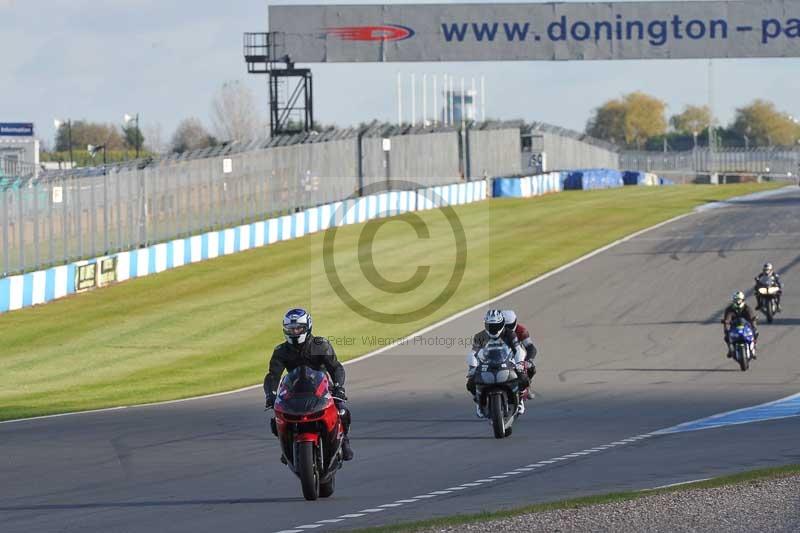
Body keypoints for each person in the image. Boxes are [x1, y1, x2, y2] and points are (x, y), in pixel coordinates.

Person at [264, 308, 353, 461]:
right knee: (277, 418)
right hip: (294, 391)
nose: (295, 332)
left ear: (307, 327)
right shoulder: (281, 351)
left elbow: (335, 367)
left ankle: (344, 441)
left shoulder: (320, 345)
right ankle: (288, 446)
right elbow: (273, 376)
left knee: (342, 410)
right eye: (290, 329)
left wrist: (338, 387)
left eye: (298, 328)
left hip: (322, 388)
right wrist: (270, 395)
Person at [466, 309, 528, 417]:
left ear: (502, 324)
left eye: (496, 326)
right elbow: (472, 354)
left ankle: (520, 398)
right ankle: (478, 402)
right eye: (490, 326)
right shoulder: (480, 336)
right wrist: (473, 368)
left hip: (508, 362)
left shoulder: (510, 334)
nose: (493, 329)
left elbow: (518, 350)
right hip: (487, 363)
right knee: (470, 383)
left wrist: (519, 365)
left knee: (524, 379)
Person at [502, 310, 538, 400]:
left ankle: (526, 387)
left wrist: (528, 361)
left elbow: (530, 347)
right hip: (499, 357)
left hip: (516, 356)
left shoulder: (521, 330)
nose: (508, 329)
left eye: (510, 326)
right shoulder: (495, 331)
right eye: (505, 326)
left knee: (531, 368)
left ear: (515, 322)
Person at [722, 292, 759, 360]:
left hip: (746, 326)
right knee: (726, 336)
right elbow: (727, 317)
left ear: (743, 300)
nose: (738, 302)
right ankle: (730, 350)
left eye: (739, 300)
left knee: (755, 332)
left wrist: (753, 319)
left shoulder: (747, 308)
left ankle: (753, 348)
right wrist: (726, 321)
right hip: (734, 327)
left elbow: (751, 316)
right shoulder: (729, 309)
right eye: (736, 300)